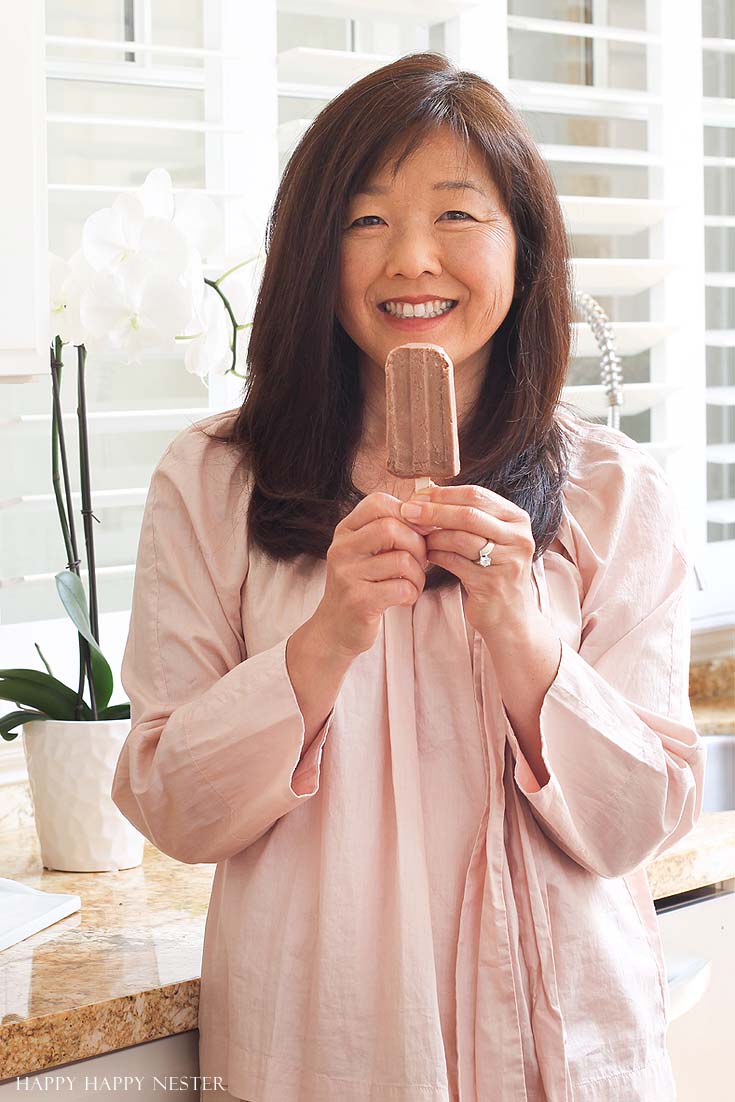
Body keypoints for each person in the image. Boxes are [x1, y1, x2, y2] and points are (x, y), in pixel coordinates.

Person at [111, 52, 706, 1102]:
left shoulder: (616, 494)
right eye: (367, 220)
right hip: (327, 1046)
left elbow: (642, 818)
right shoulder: (216, 482)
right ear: (312, 252)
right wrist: (323, 640)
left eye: (459, 217)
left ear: (524, 247)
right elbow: (170, 803)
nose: (412, 259)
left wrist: (522, 636)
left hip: (565, 1054)